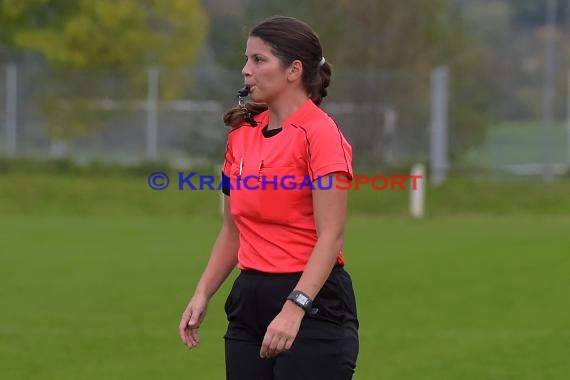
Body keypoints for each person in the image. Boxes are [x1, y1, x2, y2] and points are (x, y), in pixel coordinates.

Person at [179, 15, 359, 380]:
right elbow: (232, 230)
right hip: (249, 301)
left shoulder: (320, 134)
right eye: (247, 59)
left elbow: (331, 236)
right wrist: (202, 293)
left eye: (259, 60)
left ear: (294, 70)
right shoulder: (240, 137)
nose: (246, 71)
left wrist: (296, 308)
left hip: (313, 304)